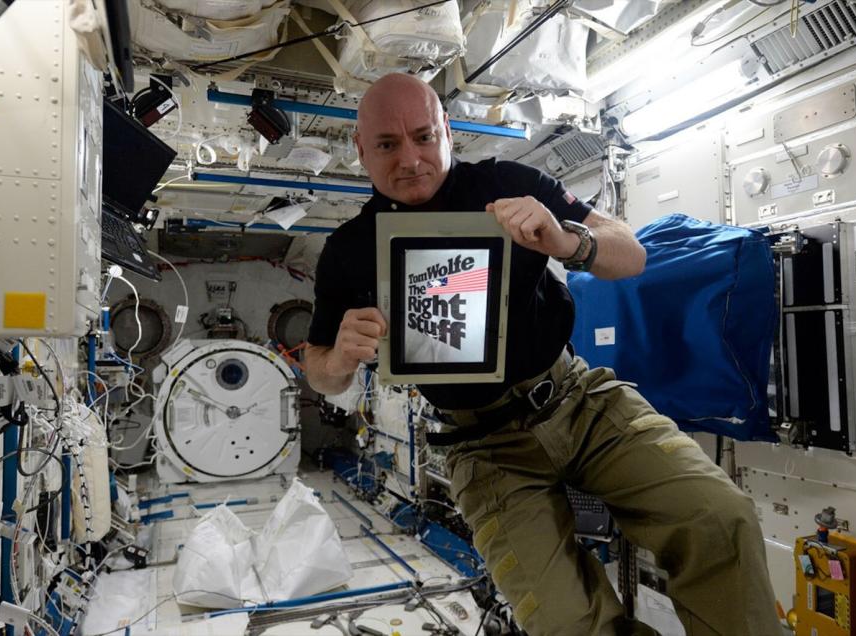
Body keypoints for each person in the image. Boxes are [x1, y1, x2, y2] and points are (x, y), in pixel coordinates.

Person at [305, 73, 781, 636]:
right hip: (483, 446)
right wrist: (339, 358)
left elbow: (630, 256)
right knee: (566, 623)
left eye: (424, 137)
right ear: (361, 149)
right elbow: (320, 372)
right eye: (387, 145)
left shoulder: (510, 183)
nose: (410, 159)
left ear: (448, 133)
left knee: (720, 518)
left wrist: (569, 241)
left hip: (580, 402)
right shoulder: (346, 252)